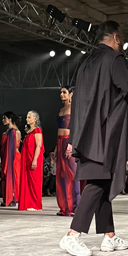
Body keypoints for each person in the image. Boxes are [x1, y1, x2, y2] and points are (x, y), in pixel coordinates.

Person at [60, 20, 128, 256]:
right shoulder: (114, 58)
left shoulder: (86, 63)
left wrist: (74, 134)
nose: (122, 43)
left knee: (102, 181)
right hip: (104, 132)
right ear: (115, 37)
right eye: (120, 38)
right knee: (97, 182)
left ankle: (109, 236)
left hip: (87, 131)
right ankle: (72, 235)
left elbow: (79, 100)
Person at [55, 87, 80, 216]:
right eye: (61, 92)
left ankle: (76, 207)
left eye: (64, 92)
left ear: (71, 94)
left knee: (72, 174)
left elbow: (76, 127)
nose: (62, 94)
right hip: (60, 142)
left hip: (69, 141)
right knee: (61, 175)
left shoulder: (73, 108)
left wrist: (71, 145)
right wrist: (56, 147)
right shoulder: (61, 110)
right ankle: (64, 206)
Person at [18, 111, 44, 211]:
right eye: (27, 117)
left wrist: (35, 160)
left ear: (35, 119)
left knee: (34, 181)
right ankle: (28, 203)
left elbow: (38, 146)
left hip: (33, 158)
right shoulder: (29, 131)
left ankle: (35, 204)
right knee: (27, 181)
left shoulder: (37, 130)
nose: (27, 119)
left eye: (29, 117)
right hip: (26, 158)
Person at [0, 112, 21, 207]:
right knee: (7, 176)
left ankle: (13, 198)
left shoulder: (15, 131)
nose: (3, 120)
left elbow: (15, 146)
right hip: (7, 155)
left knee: (14, 176)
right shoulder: (9, 131)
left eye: (4, 118)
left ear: (10, 119)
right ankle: (8, 197)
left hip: (13, 156)